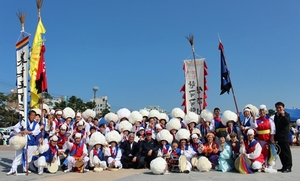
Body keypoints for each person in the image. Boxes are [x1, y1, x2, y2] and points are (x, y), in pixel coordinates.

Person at [7, 110, 40, 175]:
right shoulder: (23, 122)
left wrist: (29, 132)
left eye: (34, 115)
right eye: (31, 115)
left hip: (30, 141)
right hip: (22, 140)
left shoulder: (36, 124)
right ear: (29, 115)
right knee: (18, 155)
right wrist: (21, 132)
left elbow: (37, 131)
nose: (33, 117)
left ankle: (25, 168)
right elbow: (15, 127)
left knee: (28, 156)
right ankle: (13, 169)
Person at [274, 102, 292, 173]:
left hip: (284, 137)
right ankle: (284, 166)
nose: (278, 109)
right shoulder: (276, 115)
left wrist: (283, 115)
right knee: (281, 153)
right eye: (277, 108)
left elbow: (287, 122)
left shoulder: (286, 115)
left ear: (283, 108)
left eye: (280, 107)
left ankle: (288, 167)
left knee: (286, 153)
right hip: (278, 137)